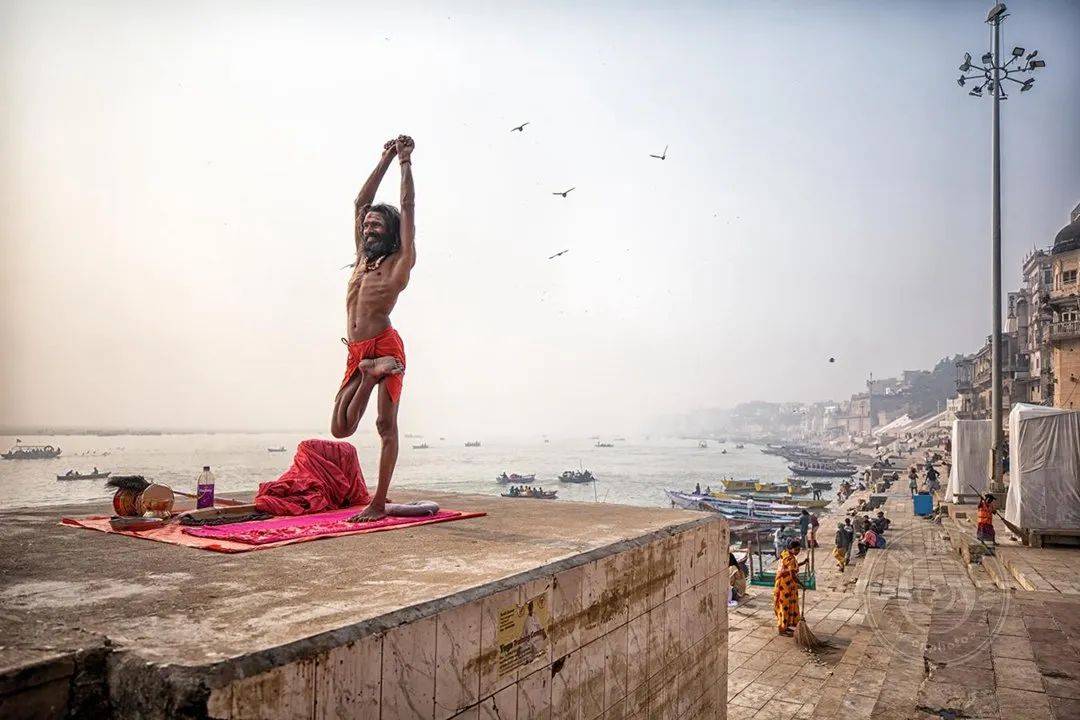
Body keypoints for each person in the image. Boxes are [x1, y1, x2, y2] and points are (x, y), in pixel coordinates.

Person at [336, 136, 416, 523]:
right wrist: (382, 158)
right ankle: (369, 375)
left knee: (386, 425)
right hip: (360, 353)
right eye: (366, 224)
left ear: (389, 232)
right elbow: (359, 203)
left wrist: (404, 163)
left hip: (386, 345)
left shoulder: (399, 262)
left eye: (375, 223)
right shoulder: (360, 260)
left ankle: (379, 502)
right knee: (341, 428)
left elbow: (407, 207)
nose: (367, 226)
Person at [773, 540, 803, 636]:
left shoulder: (785, 554)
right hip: (785, 585)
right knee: (784, 606)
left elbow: (792, 567)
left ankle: (785, 626)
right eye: (796, 549)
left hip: (784, 584)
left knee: (787, 605)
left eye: (799, 549)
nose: (798, 551)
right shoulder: (790, 559)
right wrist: (802, 584)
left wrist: (803, 563)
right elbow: (793, 574)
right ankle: (782, 629)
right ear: (790, 549)